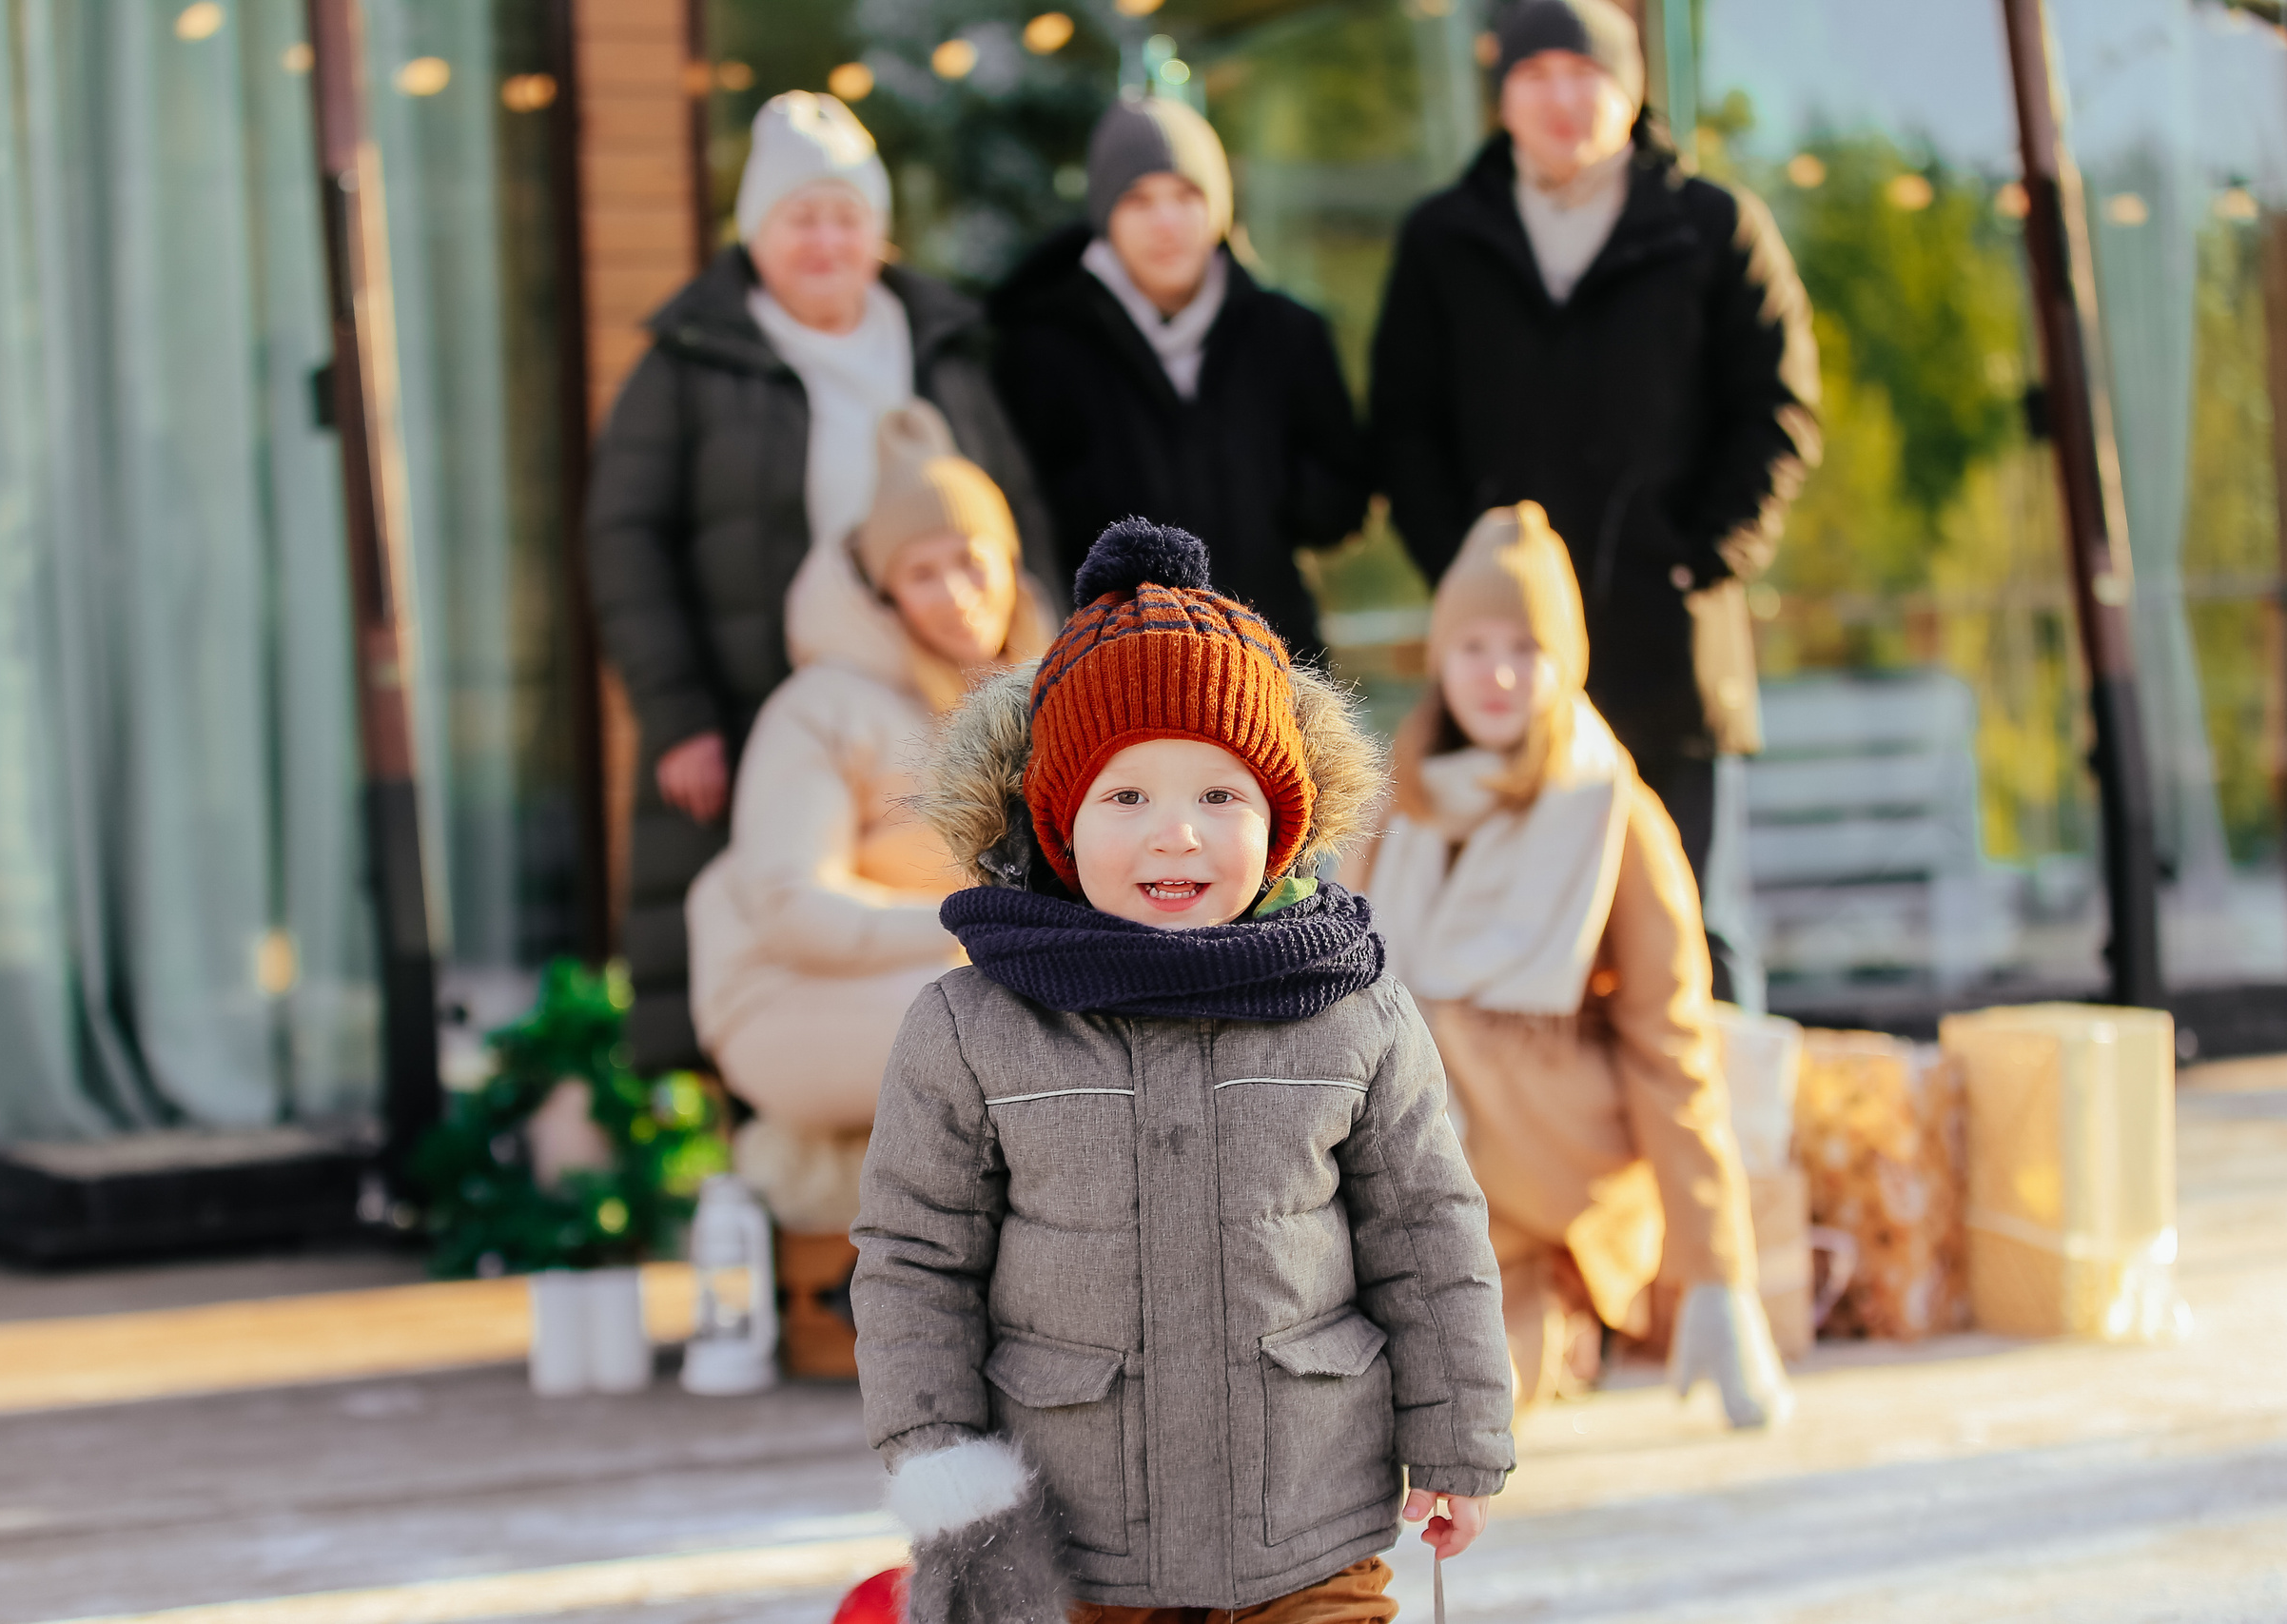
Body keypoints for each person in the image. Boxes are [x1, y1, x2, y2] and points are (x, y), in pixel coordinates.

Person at [851, 519, 1515, 1622]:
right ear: (1060, 821)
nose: (1177, 838)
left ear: (1281, 816)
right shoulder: (973, 1026)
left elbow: (1429, 1232)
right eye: (1127, 798)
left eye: (1219, 797)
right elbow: (916, 1258)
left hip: (1308, 1531)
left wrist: (1459, 1436)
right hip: (1078, 1550)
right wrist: (943, 1471)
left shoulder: (1349, 1010)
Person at [587, 91, 1053, 1069]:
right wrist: (677, 712)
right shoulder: (692, 362)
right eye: (800, 219)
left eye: (846, 218)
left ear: (877, 232)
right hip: (754, 698)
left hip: (931, 689)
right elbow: (624, 536)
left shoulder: (940, 346)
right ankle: (739, 1168)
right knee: (758, 918)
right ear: (757, 233)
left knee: (929, 896)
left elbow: (1011, 518)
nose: (824, 243)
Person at [1369, 0, 1818, 1000]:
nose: (1563, 100)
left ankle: (1717, 1157)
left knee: (1693, 932)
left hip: (1666, 641)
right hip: (1503, 672)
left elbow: (1777, 412)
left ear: (1631, 88)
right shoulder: (1446, 238)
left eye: (1588, 74)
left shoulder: (1712, 226)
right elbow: (1403, 424)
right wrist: (1468, 580)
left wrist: (1696, 556)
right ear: (1503, 96)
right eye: (1537, 77)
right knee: (1512, 943)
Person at [1346, 502, 1789, 1426]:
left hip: (1543, 1160)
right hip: (1416, 1149)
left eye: (1526, 647)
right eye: (1473, 645)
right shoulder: (1406, 798)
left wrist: (1717, 1274)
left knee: (1478, 1368)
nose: (1498, 674)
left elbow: (1672, 1044)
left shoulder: (1607, 808)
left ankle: (1540, 1325)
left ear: (1565, 661)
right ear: (1439, 656)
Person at [682, 404, 1054, 1353]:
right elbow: (791, 908)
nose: (953, 593)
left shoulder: (1047, 700)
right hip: (788, 995)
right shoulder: (821, 710)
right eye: (919, 573)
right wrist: (985, 927)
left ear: (1010, 564)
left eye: (972, 561)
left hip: (951, 979)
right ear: (882, 592)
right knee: (1016, 1027)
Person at [989, 96, 1368, 665]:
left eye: (1187, 195)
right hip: (1113, 667)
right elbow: (1025, 517)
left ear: (1218, 206)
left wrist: (1273, 494)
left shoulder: (1286, 333)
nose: (1165, 222)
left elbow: (1343, 495)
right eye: (1138, 200)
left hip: (1272, 652)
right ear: (1104, 214)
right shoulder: (1044, 348)